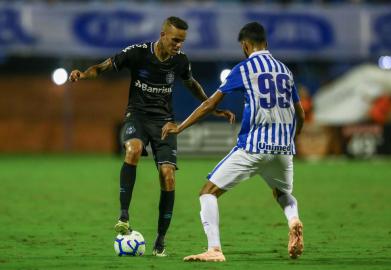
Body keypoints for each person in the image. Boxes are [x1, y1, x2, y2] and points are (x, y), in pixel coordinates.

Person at [69, 16, 235, 257]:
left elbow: (191, 83)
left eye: (182, 41)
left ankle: (161, 239)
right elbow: (102, 67)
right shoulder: (138, 53)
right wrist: (84, 74)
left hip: (164, 123)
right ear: (163, 35)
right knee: (133, 150)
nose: (179, 45)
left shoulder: (180, 61)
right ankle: (124, 216)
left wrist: (212, 107)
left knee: (167, 176)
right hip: (136, 117)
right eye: (175, 40)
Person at [162, 22, 305, 262]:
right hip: (283, 148)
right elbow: (300, 113)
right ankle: (293, 220)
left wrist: (180, 126)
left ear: (246, 46)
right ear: (266, 44)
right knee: (282, 193)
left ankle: (214, 249)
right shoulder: (285, 71)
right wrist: (292, 139)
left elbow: (210, 104)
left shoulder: (245, 68)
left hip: (253, 147)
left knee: (208, 192)